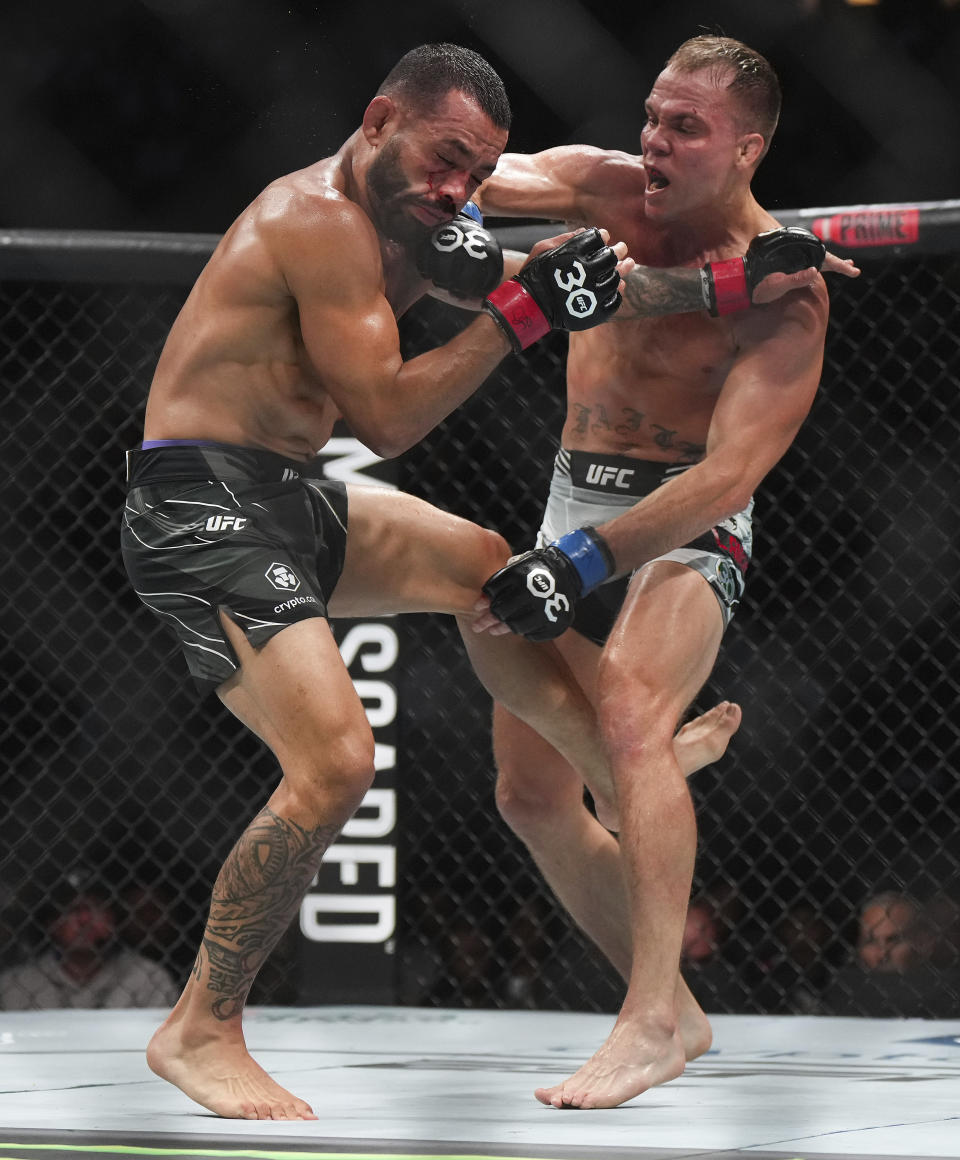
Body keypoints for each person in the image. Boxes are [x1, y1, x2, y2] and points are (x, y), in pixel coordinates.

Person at [120, 42, 846, 1121]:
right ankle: (201, 1023)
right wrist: (525, 306)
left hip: (349, 493)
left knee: (483, 570)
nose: (458, 189)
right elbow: (395, 413)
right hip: (200, 502)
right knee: (346, 763)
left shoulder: (425, 209)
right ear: (378, 123)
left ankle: (629, 802)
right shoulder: (328, 218)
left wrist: (736, 278)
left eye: (474, 172)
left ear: (746, 147)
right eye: (446, 161)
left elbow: (621, 315)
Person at [470, 34, 861, 1109]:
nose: (656, 139)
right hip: (571, 493)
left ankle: (648, 1020)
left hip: (690, 517)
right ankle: (678, 996)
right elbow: (468, 178)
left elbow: (734, 469)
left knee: (633, 711)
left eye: (685, 126)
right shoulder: (606, 190)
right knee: (531, 795)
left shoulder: (787, 290)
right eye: (653, 115)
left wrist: (587, 559)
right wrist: (416, 160)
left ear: (747, 148)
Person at [0, 883, 178, 1011]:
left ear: (113, 920)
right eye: (71, 910)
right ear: (51, 924)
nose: (84, 920)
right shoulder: (15, 983)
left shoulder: (148, 978)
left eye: (96, 909)